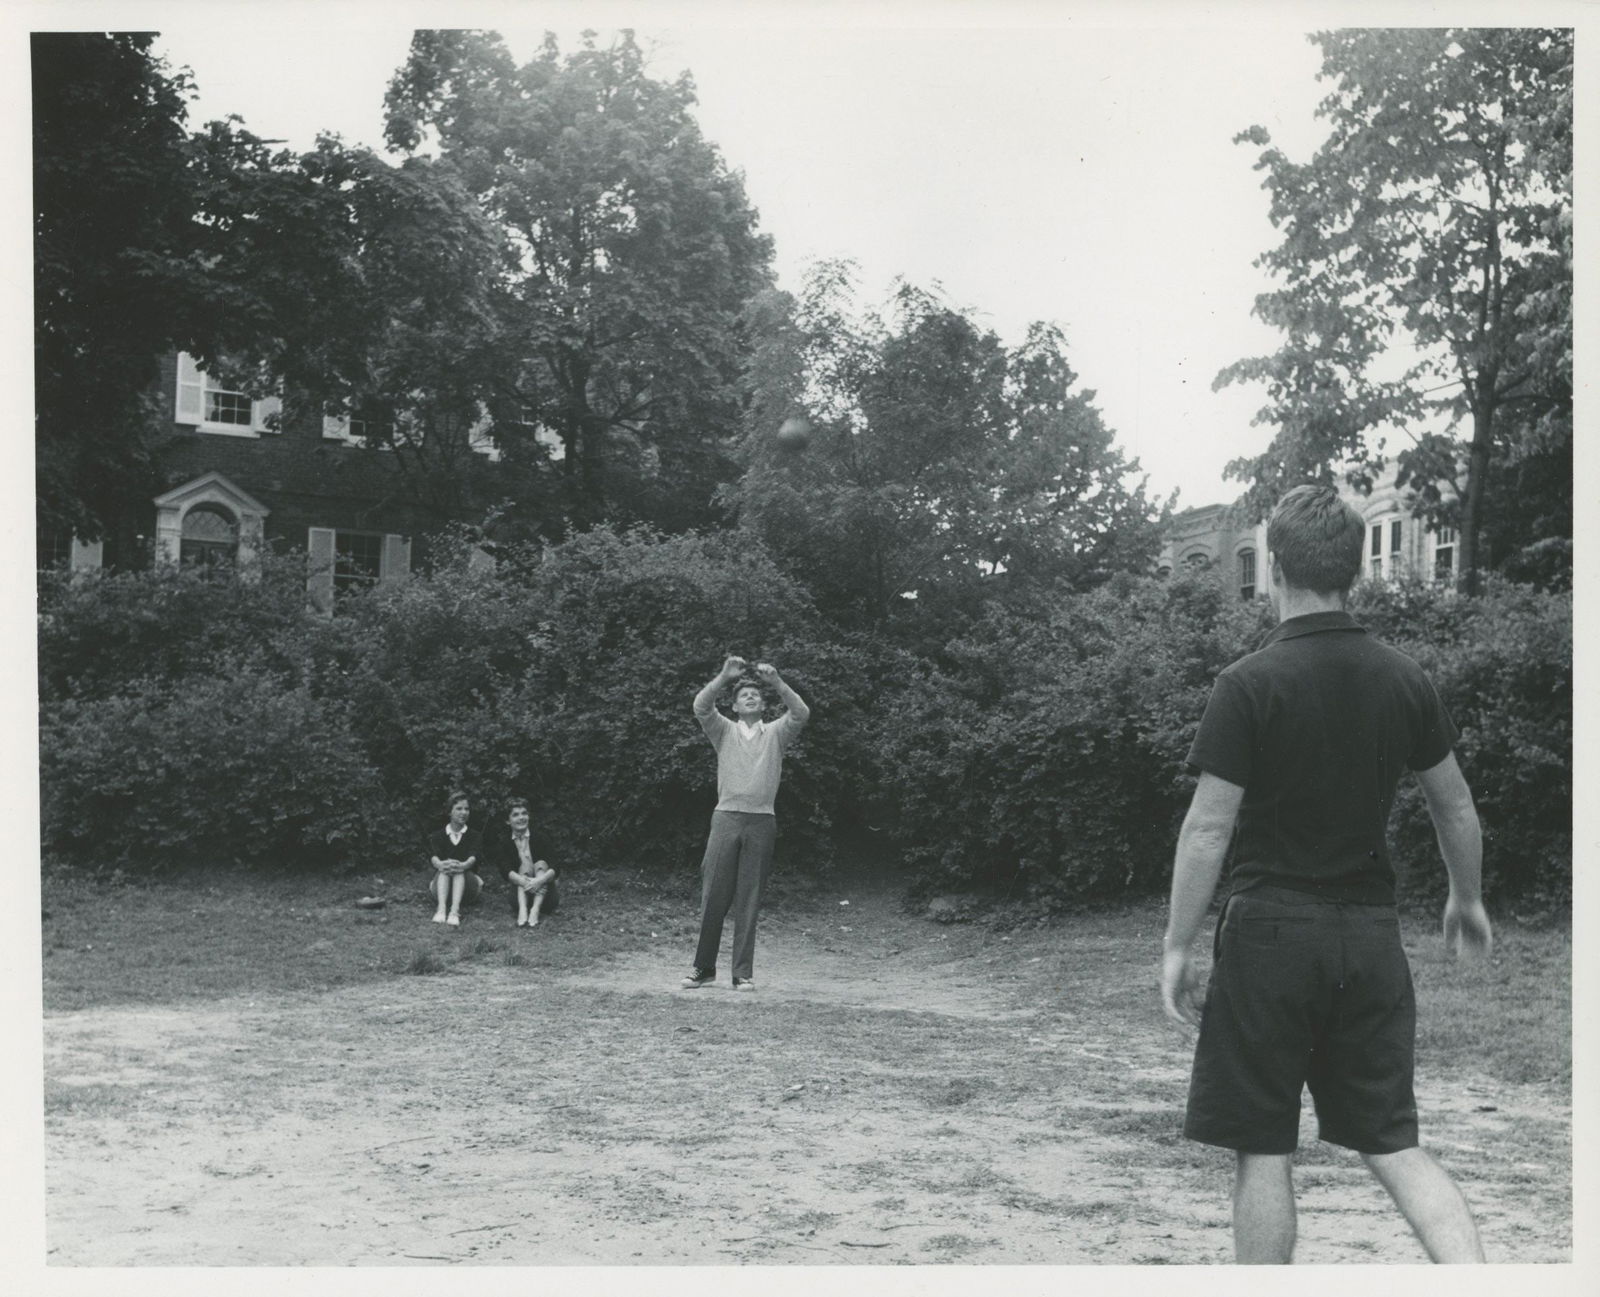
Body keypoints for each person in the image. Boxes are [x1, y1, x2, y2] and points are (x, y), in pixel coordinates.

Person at [1160, 484, 1494, 1264]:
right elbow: (1456, 806)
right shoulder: (1403, 677)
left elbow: (1208, 826)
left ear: (1274, 568)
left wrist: (1178, 942)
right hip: (1370, 938)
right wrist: (1467, 897)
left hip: (1270, 935)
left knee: (1264, 1147)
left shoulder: (1247, 683)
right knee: (1395, 1144)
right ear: (1354, 571)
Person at [681, 656, 809, 992]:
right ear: (735, 707)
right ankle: (703, 968)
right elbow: (701, 706)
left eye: (756, 694)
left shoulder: (776, 733)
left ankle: (742, 973)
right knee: (714, 895)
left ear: (764, 703)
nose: (750, 696)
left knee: (749, 898)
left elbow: (801, 713)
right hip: (726, 817)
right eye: (744, 695)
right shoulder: (723, 730)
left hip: (762, 820)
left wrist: (778, 682)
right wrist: (724, 676)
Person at [484, 797, 561, 928]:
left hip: (545, 895)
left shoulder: (540, 837)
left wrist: (539, 881)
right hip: (520, 894)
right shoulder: (504, 842)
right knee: (523, 866)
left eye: (524, 813)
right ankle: (523, 910)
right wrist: (524, 881)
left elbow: (556, 866)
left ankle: (535, 910)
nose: (521, 817)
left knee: (541, 864)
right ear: (508, 821)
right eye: (515, 815)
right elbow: (505, 870)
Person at [427, 791, 484, 928]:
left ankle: (454, 912)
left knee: (457, 867)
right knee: (447, 866)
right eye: (459, 808)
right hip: (441, 888)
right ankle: (441, 910)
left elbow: (473, 857)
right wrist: (442, 864)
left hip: (468, 890)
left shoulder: (474, 836)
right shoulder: (438, 836)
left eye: (466, 809)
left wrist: (462, 865)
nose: (463, 812)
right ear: (449, 812)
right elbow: (434, 857)